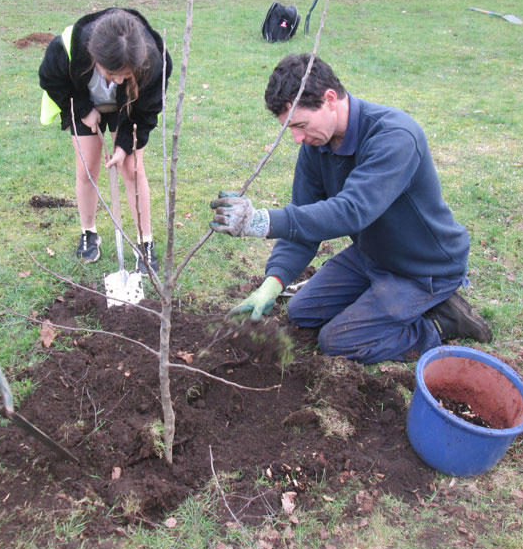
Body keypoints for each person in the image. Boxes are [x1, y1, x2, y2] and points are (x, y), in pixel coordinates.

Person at [209, 54, 490, 365]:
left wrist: (261, 221)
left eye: (300, 125)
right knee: (301, 311)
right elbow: (304, 221)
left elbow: (351, 211)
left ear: (330, 99)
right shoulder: (316, 146)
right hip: (372, 255)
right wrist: (272, 284)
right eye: (290, 128)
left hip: (423, 267)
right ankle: (380, 303)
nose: (297, 138)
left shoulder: (394, 136)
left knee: (338, 341)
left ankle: (442, 322)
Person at [38, 8, 172, 274]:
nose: (120, 80)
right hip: (83, 101)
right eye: (113, 74)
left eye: (126, 74)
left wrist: (124, 144)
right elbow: (50, 80)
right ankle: (89, 232)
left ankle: (144, 242)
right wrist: (84, 109)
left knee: (132, 169)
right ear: (95, 58)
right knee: (87, 168)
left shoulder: (153, 61)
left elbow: (147, 111)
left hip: (130, 109)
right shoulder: (66, 49)